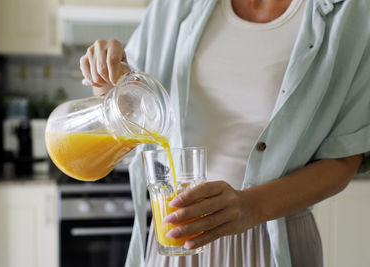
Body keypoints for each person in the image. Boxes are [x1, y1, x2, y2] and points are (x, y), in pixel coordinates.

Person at [79, 0, 370, 266]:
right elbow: (129, 105)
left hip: (273, 240)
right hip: (178, 236)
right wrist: (107, 78)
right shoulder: (174, 5)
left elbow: (345, 157)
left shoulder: (352, 13)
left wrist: (250, 206)